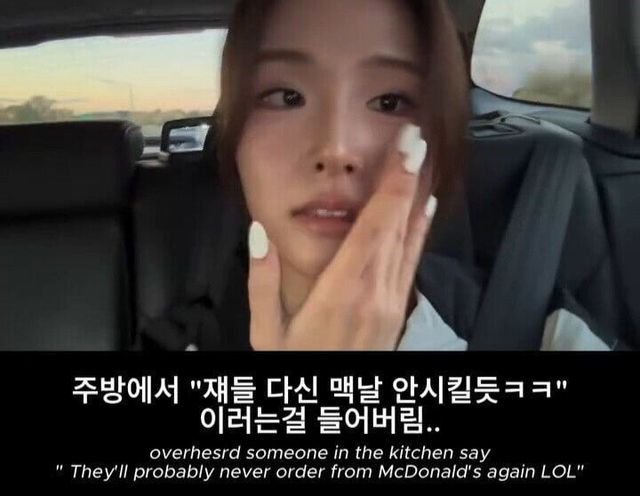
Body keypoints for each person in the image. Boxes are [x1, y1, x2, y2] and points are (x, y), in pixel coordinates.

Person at [140, 0, 619, 352]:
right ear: (234, 140)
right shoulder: (172, 344)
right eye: (286, 97)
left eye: (389, 102)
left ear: (441, 143)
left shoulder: (539, 327)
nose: (336, 149)